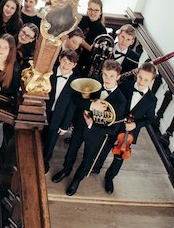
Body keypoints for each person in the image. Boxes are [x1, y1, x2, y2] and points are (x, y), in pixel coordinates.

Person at [52, 59, 127, 196]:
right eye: (105, 75)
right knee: (71, 150)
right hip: (80, 126)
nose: (107, 79)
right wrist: (91, 106)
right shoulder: (94, 84)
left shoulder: (121, 100)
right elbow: (76, 99)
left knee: (87, 159)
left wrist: (92, 124)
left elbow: (114, 129)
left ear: (118, 77)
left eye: (111, 76)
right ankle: (66, 170)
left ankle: (76, 180)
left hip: (97, 134)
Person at [100, 62, 158, 194]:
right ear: (137, 74)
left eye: (146, 79)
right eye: (140, 77)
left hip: (129, 132)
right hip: (115, 124)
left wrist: (136, 124)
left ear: (152, 80)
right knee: (105, 146)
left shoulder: (151, 99)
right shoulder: (125, 86)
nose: (142, 81)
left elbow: (150, 119)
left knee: (120, 156)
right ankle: (96, 166)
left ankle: (110, 177)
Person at [42, 49, 80, 173]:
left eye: (70, 63)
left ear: (74, 65)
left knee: (51, 141)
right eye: (64, 61)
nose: (66, 65)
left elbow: (72, 107)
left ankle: (45, 162)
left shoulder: (75, 82)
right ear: (59, 59)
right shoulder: (49, 73)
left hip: (59, 116)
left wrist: (65, 126)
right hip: (43, 111)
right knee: (37, 136)